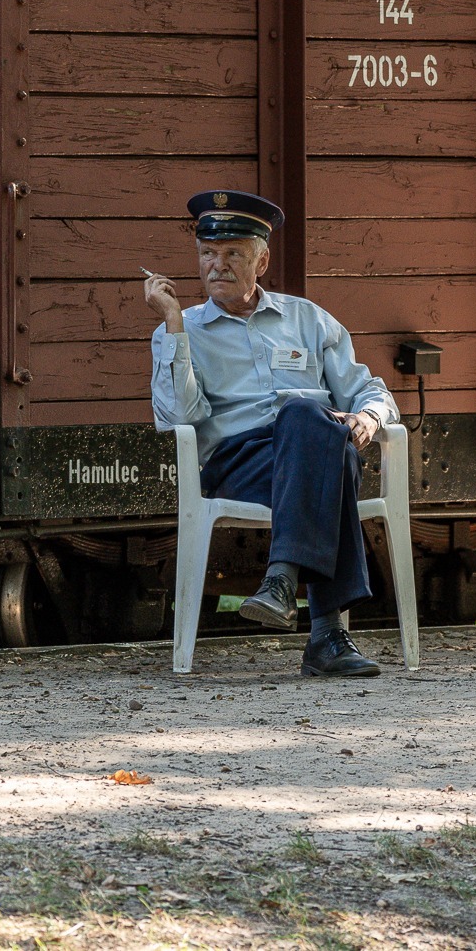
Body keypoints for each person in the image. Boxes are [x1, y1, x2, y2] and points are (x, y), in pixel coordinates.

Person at [145, 190, 400, 677]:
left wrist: (368, 418)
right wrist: (174, 323)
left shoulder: (307, 318)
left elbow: (368, 389)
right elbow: (177, 416)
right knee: (322, 438)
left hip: (313, 451)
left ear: (261, 260)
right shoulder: (181, 331)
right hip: (241, 463)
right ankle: (326, 635)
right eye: (207, 254)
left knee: (314, 426)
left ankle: (281, 582)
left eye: (233, 254)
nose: (216, 266)